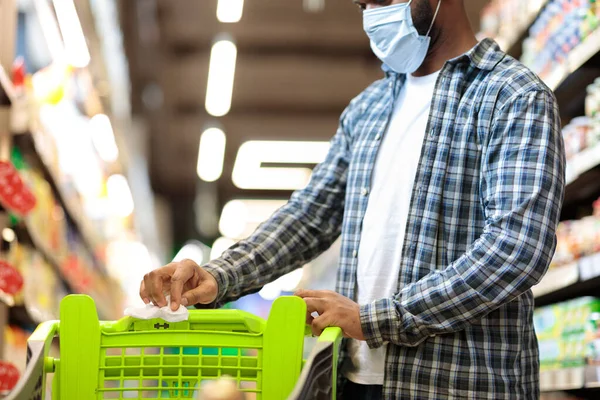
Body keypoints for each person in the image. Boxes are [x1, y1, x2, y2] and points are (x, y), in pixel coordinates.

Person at [140, 0, 565, 398]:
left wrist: (378, 319)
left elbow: (515, 250)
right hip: (356, 379)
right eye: (363, 6)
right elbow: (310, 215)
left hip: (460, 383)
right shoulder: (369, 108)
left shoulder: (513, 96)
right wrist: (220, 275)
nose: (371, 18)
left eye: (381, 1)